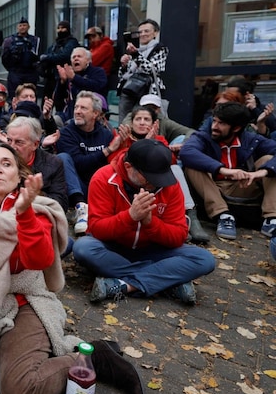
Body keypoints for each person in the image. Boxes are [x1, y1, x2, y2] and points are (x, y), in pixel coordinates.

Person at [0, 143, 145, 394]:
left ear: (19, 174)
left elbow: (39, 260)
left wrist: (24, 214)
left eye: (6, 163)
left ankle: (91, 357)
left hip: (23, 302)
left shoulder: (39, 208)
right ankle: (15, 357)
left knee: (21, 393)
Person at [73, 139, 216, 305]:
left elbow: (179, 235)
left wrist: (150, 223)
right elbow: (97, 229)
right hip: (113, 249)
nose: (155, 183)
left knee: (204, 259)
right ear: (128, 167)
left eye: (160, 177)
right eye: (149, 178)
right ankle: (167, 282)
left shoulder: (169, 184)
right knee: (83, 248)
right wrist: (130, 217)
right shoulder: (103, 178)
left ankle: (125, 284)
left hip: (154, 250)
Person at [108, 105, 210, 243]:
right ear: (131, 123)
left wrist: (153, 143)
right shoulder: (122, 137)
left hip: (156, 184)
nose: (142, 122)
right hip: (128, 184)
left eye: (146, 119)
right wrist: (128, 144)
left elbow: (170, 162)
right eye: (138, 119)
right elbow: (113, 162)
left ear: (154, 123)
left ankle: (191, 216)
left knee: (175, 170)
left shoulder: (159, 139)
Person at [181, 102, 276, 242]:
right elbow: (187, 152)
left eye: (221, 124)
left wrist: (261, 172)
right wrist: (223, 170)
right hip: (213, 189)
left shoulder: (251, 140)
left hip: (244, 185)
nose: (214, 127)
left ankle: (271, 218)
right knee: (193, 165)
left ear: (236, 128)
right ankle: (223, 215)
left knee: (269, 161)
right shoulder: (203, 137)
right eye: (214, 121)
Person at [57, 91, 116, 235]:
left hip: (99, 187)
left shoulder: (106, 134)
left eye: (83, 108)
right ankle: (81, 208)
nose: (77, 111)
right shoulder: (66, 132)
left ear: (95, 113)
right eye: (76, 107)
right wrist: (106, 151)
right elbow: (79, 163)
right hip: (77, 186)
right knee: (63, 157)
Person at [6, 116, 68, 213]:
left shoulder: (53, 164)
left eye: (19, 142)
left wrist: (34, 194)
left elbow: (60, 204)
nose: (12, 147)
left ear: (35, 144)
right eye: (9, 140)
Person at [118, 18, 168, 122]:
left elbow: (152, 69)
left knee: (145, 122)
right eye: (140, 32)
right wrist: (124, 65)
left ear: (155, 33)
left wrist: (136, 54)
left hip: (148, 91)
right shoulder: (133, 48)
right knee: (124, 123)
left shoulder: (160, 49)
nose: (143, 34)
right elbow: (122, 75)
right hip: (129, 91)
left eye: (147, 31)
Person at [52, 47, 108, 122]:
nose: (76, 59)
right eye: (73, 57)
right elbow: (58, 103)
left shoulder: (98, 72)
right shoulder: (69, 75)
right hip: (70, 115)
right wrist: (62, 82)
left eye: (79, 56)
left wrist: (74, 78)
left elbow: (96, 86)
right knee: (54, 120)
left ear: (88, 60)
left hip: (92, 116)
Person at [39, 20, 79, 99]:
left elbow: (64, 56)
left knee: (60, 102)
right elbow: (45, 55)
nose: (60, 30)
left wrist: (48, 58)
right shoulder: (55, 44)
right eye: (58, 28)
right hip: (51, 77)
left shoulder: (71, 42)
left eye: (63, 28)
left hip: (63, 77)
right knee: (46, 102)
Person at [1, 17, 40, 92]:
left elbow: (37, 56)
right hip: (15, 73)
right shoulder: (9, 40)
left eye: (24, 25)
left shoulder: (35, 40)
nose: (22, 27)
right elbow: (4, 58)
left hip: (30, 73)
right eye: (20, 25)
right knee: (14, 96)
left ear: (28, 27)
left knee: (30, 95)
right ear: (17, 27)